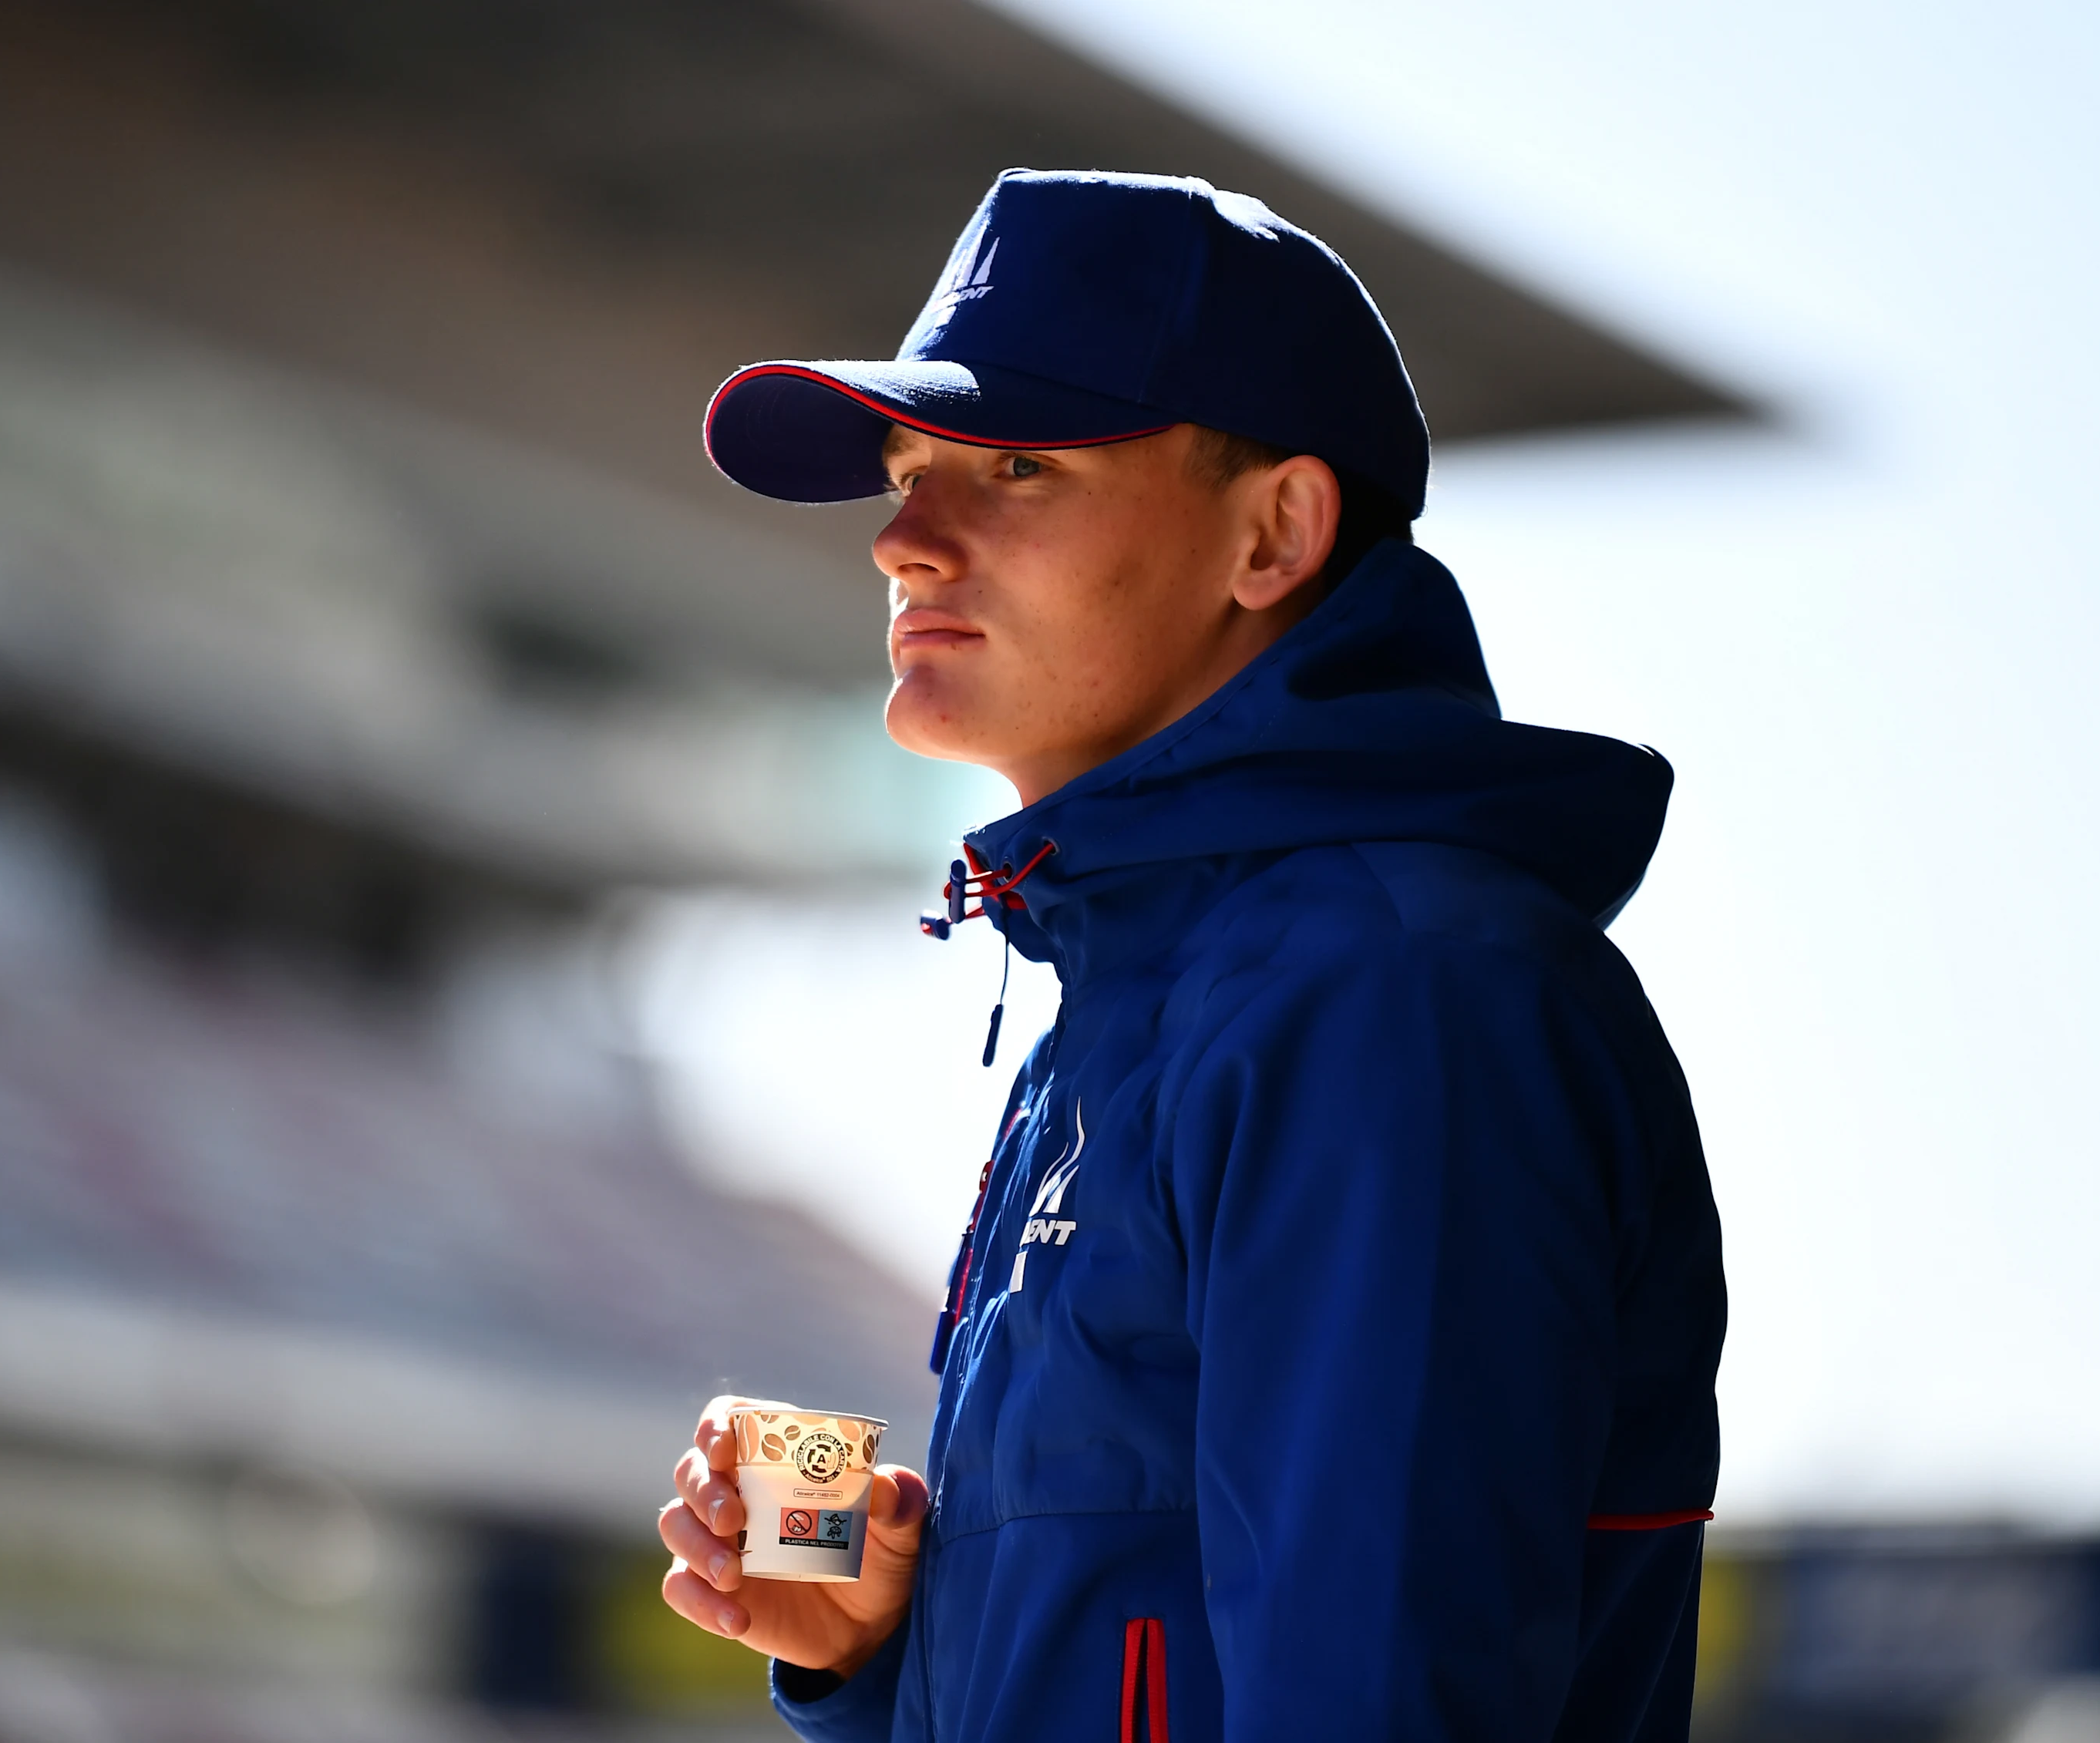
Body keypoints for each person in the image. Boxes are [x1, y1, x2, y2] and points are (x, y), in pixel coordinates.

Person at [657, 169, 1725, 1742]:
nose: (902, 540)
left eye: (1015, 462)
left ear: (1274, 531)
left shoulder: (1389, 991)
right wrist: (874, 1657)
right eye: (905, 465)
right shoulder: (1148, 998)